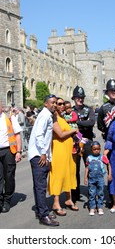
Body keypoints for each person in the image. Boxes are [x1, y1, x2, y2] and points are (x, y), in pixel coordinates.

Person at [28, 94, 59, 227]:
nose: (55, 105)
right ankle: (44, 215)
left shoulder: (46, 114)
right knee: (41, 186)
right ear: (46, 103)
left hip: (40, 154)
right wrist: (43, 153)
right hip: (39, 155)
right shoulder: (45, 115)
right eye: (52, 102)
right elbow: (39, 134)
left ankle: (42, 211)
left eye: (56, 103)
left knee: (39, 186)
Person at [48, 97, 79, 216]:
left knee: (69, 174)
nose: (61, 106)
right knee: (58, 174)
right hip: (58, 150)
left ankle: (68, 198)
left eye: (62, 104)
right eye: (58, 104)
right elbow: (60, 134)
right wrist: (73, 130)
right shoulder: (54, 118)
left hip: (68, 151)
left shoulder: (61, 117)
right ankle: (56, 202)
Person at [71, 86, 96, 202]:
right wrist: (81, 123)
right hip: (75, 142)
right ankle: (75, 194)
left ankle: (93, 192)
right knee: (74, 169)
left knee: (90, 167)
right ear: (74, 98)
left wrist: (76, 123)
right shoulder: (70, 111)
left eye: (81, 97)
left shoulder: (89, 109)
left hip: (87, 141)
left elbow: (91, 122)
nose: (80, 99)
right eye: (77, 97)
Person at [0, 103, 22, 213]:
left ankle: (7, 200)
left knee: (8, 176)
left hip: (8, 150)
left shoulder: (9, 117)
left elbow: (17, 135)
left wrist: (18, 151)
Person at [84, 141, 111, 216]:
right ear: (91, 150)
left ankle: (100, 206)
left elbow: (108, 164)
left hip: (100, 178)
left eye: (98, 149)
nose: (96, 151)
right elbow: (87, 168)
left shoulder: (102, 157)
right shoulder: (89, 158)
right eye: (94, 149)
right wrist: (85, 178)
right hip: (91, 179)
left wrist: (110, 174)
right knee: (91, 193)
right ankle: (92, 207)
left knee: (100, 193)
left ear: (100, 149)